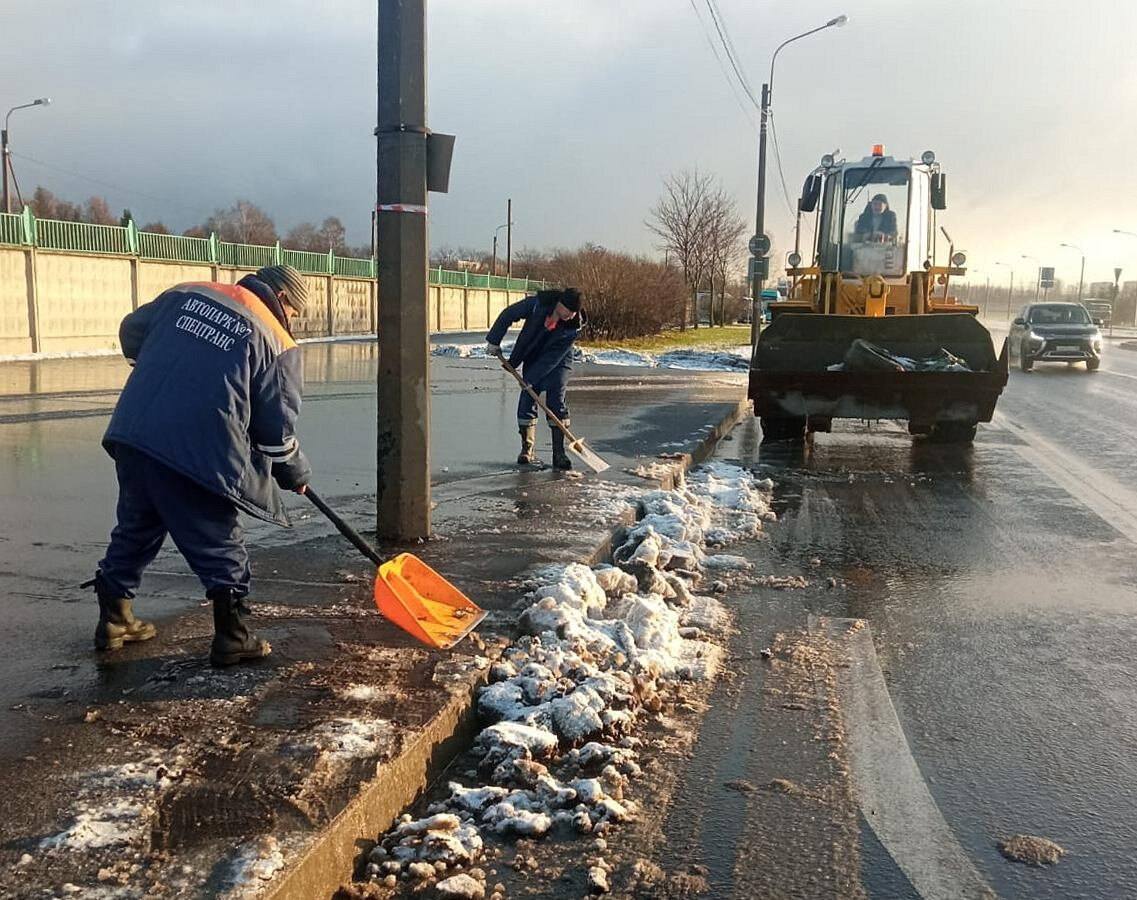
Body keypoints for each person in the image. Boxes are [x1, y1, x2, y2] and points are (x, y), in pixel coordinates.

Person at [87, 264, 312, 667]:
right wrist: (294, 471)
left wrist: (173, 364)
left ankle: (115, 620)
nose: (292, 321)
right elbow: (276, 432)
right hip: (198, 449)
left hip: (135, 431)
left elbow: (131, 332)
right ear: (282, 299)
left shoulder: (188, 293)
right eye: (294, 312)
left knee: (138, 524)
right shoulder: (276, 341)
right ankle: (233, 636)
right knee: (217, 538)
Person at [485, 287, 585, 470]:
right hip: (533, 353)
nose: (571, 316)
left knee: (556, 395)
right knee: (528, 396)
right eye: (568, 311)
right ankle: (527, 449)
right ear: (559, 304)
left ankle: (559, 452)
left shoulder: (572, 327)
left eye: (574, 312)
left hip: (559, 359)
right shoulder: (537, 305)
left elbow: (551, 359)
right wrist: (494, 340)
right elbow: (508, 315)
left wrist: (530, 379)